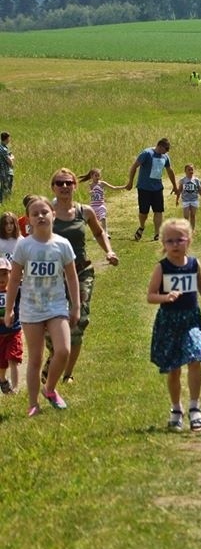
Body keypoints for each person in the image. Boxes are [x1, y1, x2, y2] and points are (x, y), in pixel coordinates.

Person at [3, 196, 80, 416]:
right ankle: (33, 404)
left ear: (53, 214)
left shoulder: (62, 244)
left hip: (56, 306)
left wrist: (75, 306)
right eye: (35, 214)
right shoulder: (24, 246)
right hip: (31, 308)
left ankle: (50, 389)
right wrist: (9, 309)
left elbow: (72, 278)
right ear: (28, 220)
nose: (40, 216)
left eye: (44, 212)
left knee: (63, 350)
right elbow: (15, 279)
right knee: (35, 358)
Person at [45, 169, 119, 385]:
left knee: (78, 322)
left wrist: (109, 251)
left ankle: (67, 374)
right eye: (60, 183)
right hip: (54, 275)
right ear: (53, 187)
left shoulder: (84, 211)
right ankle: (54, 357)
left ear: (75, 185)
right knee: (52, 323)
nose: (64, 186)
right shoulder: (46, 212)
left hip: (81, 272)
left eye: (68, 183)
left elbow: (98, 232)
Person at [147, 218, 201, 432]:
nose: (175, 244)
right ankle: (176, 409)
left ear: (189, 240)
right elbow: (150, 296)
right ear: (163, 243)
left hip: (190, 319)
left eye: (180, 239)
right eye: (170, 241)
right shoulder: (162, 268)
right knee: (174, 369)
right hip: (169, 322)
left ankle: (195, 408)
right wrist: (165, 297)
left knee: (195, 358)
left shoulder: (194, 264)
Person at [126, 137, 178, 241]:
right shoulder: (146, 153)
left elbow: (169, 171)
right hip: (144, 188)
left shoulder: (165, 157)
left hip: (157, 188)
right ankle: (142, 226)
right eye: (166, 148)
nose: (167, 151)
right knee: (143, 212)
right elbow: (134, 167)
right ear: (160, 146)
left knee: (158, 211)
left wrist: (175, 186)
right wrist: (130, 182)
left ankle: (157, 234)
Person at [78, 168, 125, 234]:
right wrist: (91, 192)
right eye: (96, 175)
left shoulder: (102, 183)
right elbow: (89, 192)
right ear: (91, 176)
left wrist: (124, 187)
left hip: (101, 205)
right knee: (95, 222)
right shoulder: (90, 185)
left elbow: (114, 187)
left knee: (103, 218)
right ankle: (97, 234)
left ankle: (105, 232)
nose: (97, 177)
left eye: (98, 175)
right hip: (93, 206)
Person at [0, 256, 22, 394]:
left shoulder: (16, 290)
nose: (1, 278)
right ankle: (2, 380)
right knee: (2, 363)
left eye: (4, 274)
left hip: (14, 331)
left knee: (13, 358)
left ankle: (15, 388)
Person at [176, 164, 201, 231]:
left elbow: (200, 190)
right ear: (185, 171)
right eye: (189, 170)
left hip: (194, 199)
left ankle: (193, 229)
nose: (191, 171)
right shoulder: (183, 180)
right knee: (186, 216)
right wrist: (177, 199)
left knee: (193, 215)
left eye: (192, 169)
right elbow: (179, 190)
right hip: (185, 200)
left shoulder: (196, 180)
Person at [0, 132, 15, 204]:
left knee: (4, 189)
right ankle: (4, 203)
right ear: (7, 138)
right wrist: (12, 157)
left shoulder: (4, 147)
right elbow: (10, 162)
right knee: (6, 189)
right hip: (6, 172)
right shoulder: (3, 149)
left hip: (5, 172)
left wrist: (11, 157)